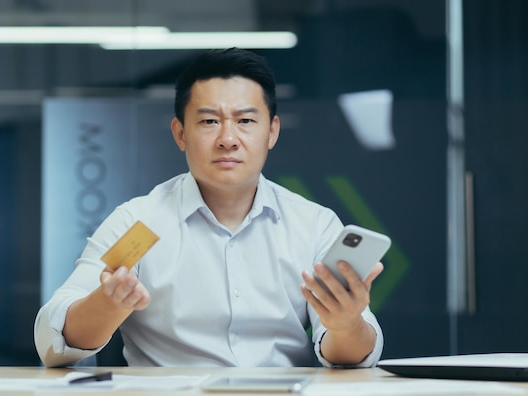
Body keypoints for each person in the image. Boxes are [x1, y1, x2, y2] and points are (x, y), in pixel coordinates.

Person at [34, 47, 384, 368]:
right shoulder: (139, 221)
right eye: (208, 121)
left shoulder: (314, 224)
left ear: (272, 132)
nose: (228, 139)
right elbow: (51, 342)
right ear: (180, 133)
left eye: (245, 121)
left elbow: (354, 356)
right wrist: (107, 304)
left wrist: (347, 326)